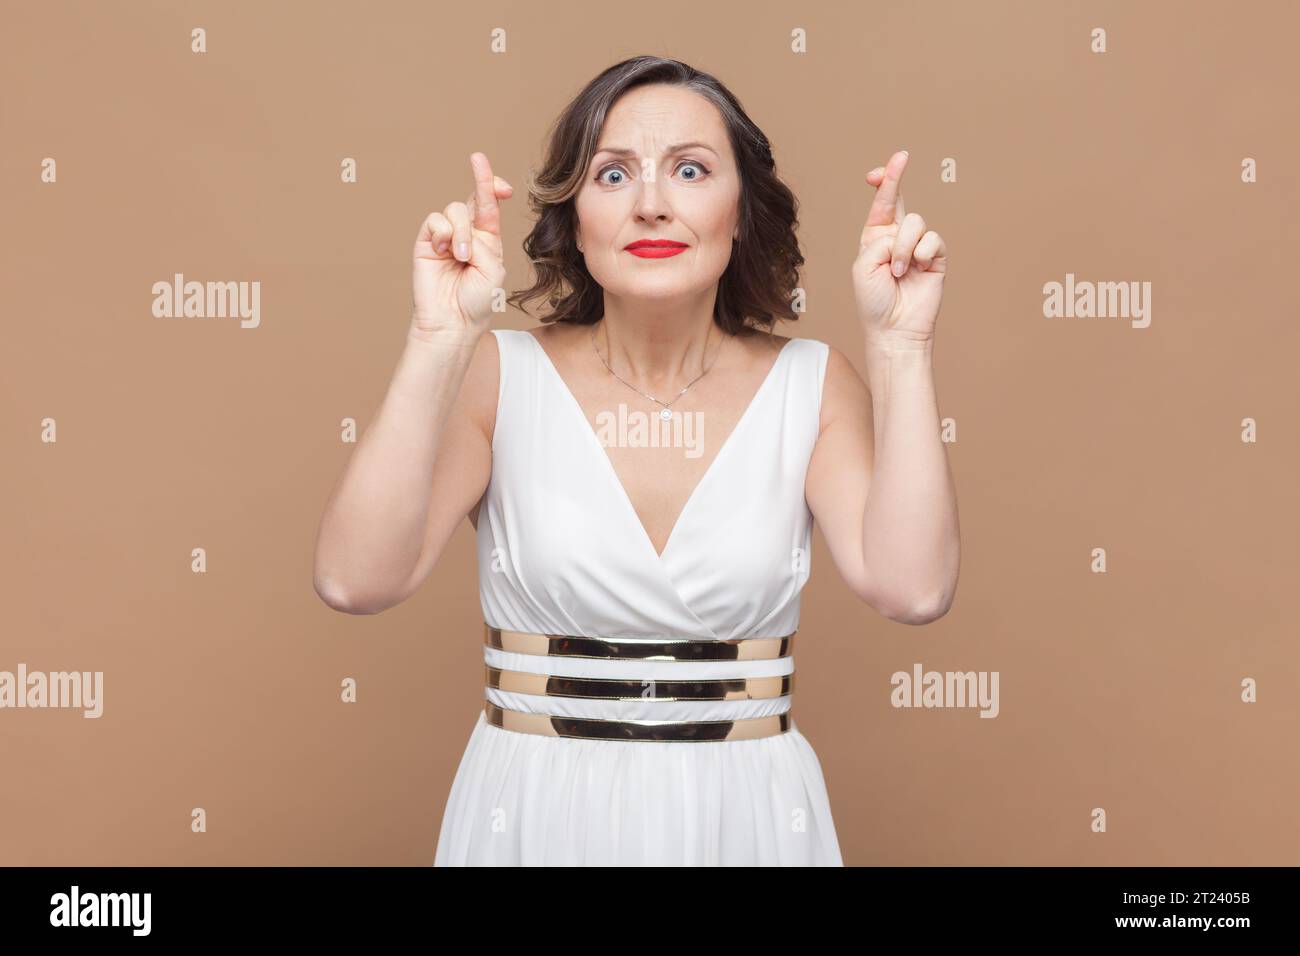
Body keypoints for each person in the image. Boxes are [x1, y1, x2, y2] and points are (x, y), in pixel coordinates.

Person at [312, 55, 959, 866]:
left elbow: (916, 588)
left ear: (741, 211)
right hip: (534, 811)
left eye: (690, 170)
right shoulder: (501, 375)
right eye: (613, 174)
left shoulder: (812, 385)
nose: (651, 204)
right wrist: (437, 342)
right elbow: (353, 580)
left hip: (747, 820)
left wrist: (902, 345)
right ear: (575, 217)